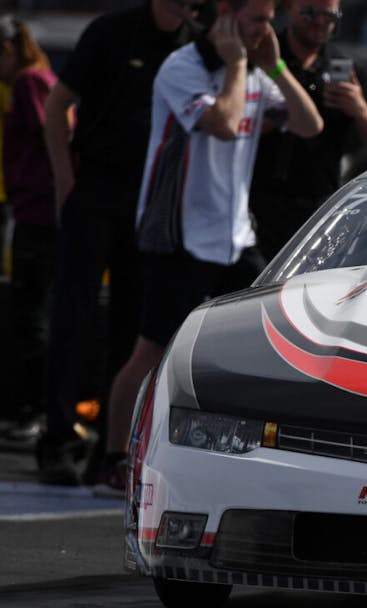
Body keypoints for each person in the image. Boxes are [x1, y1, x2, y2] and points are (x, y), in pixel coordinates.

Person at [93, 0, 323, 497]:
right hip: (179, 234)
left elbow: (310, 126)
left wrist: (277, 65)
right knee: (152, 348)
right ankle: (112, 458)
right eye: (258, 19)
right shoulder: (182, 68)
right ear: (225, 15)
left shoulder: (258, 72)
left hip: (233, 234)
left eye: (269, 19)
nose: (268, 28)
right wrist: (238, 63)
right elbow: (221, 121)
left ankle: (258, 452)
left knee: (271, 342)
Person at [38, 0, 203, 485]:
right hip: (95, 189)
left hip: (152, 202)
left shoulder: (196, 44)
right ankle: (59, 440)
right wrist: (66, 187)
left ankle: (112, 449)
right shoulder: (110, 32)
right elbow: (55, 108)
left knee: (134, 323)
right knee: (74, 312)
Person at [250, 0, 367, 261]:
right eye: (310, 13)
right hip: (262, 202)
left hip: (319, 205)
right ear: (290, 8)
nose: (319, 22)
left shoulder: (344, 67)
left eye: (329, 16)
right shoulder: (266, 56)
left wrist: (359, 107)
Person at [0, 16, 56, 444]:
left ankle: (33, 412)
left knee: (30, 313)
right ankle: (35, 409)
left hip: (39, 213)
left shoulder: (28, 82)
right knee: (33, 311)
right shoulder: (42, 77)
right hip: (41, 210)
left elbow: (52, 133)